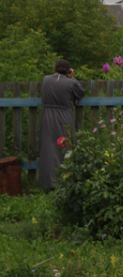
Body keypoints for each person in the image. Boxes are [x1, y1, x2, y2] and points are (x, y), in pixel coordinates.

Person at [38, 59, 85, 189]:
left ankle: (47, 182)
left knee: (48, 148)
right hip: (64, 116)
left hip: (47, 116)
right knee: (65, 147)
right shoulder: (71, 82)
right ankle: (64, 181)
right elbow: (80, 93)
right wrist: (73, 78)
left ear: (55, 69)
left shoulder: (46, 80)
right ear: (68, 71)